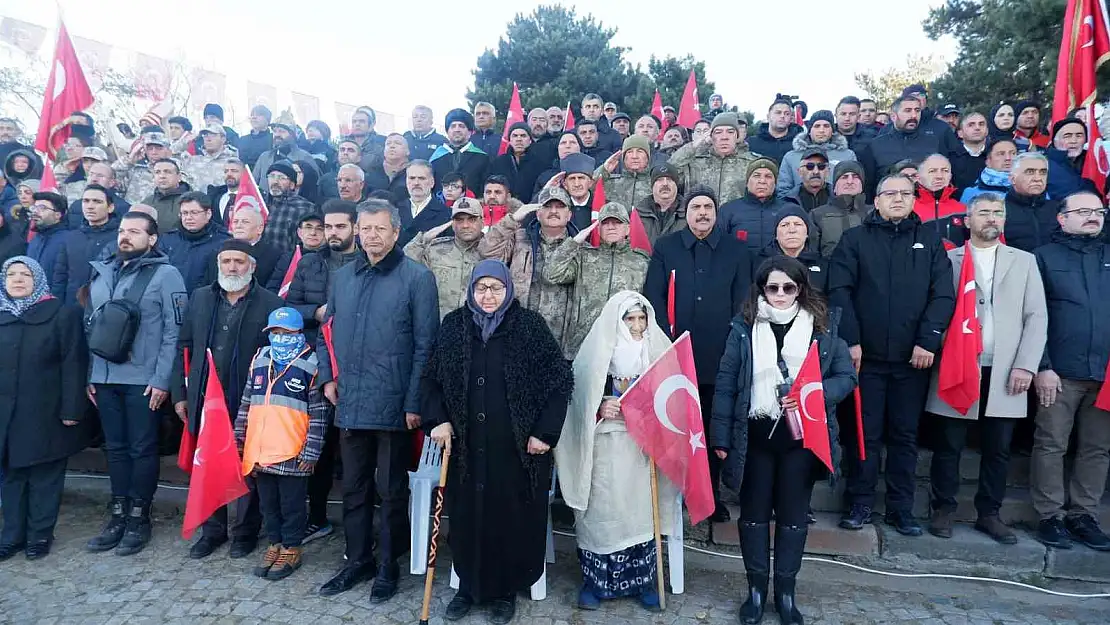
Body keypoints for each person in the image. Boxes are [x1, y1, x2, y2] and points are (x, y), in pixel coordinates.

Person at [422, 259, 571, 624]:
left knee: (509, 516)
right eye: (481, 288)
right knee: (468, 515)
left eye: (496, 288)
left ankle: (504, 590)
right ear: (471, 290)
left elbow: (559, 381)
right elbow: (430, 379)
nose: (488, 295)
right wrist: (438, 420)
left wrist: (544, 433)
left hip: (516, 447)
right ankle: (468, 587)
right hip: (467, 446)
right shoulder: (454, 326)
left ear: (508, 290)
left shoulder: (529, 327)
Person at [712, 256, 856, 625]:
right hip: (755, 435)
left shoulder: (823, 328)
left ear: (801, 289)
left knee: (793, 518)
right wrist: (721, 436)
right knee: (754, 517)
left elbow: (846, 378)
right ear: (762, 288)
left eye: (788, 287)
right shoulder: (743, 327)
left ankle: (786, 594)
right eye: (772, 287)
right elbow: (727, 384)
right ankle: (756, 592)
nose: (779, 294)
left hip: (801, 438)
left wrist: (814, 391)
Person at [316, 200, 439, 601]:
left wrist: (413, 402)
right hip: (350, 400)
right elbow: (326, 332)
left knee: (389, 492)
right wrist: (328, 377)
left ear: (396, 231)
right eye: (365, 229)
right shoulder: (344, 277)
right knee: (353, 489)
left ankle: (388, 565)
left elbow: (426, 345)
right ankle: (357, 560)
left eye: (379, 229)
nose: (371, 236)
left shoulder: (417, 278)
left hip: (393, 405)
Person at [827, 174, 955, 535]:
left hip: (912, 359)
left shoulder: (929, 241)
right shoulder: (855, 240)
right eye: (890, 194)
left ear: (914, 199)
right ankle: (860, 502)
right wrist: (850, 341)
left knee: (904, 435)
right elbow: (840, 290)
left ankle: (901, 508)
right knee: (863, 434)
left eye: (905, 193)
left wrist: (928, 341)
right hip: (864, 359)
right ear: (877, 200)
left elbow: (942, 294)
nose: (898, 199)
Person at [924, 193, 1048, 544]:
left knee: (998, 447)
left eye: (998, 213)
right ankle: (943, 508)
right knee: (949, 444)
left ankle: (989, 514)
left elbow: (1036, 316)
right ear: (967, 218)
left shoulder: (1023, 262)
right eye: (984, 212)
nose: (992, 218)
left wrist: (1026, 365)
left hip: (1006, 367)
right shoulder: (947, 259)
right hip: (958, 363)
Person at [556, 291, 675, 612]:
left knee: (640, 513)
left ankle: (643, 582)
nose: (637, 325)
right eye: (630, 319)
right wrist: (600, 406)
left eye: (641, 318)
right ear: (616, 321)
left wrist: (649, 409)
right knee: (603, 510)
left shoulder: (658, 350)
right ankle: (595, 584)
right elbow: (578, 399)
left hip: (643, 447)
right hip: (603, 444)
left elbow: (672, 398)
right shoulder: (595, 352)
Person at [644, 186, 753, 521]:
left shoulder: (736, 251)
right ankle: (672, 494)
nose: (702, 213)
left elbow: (743, 301)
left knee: (710, 427)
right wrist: (666, 341)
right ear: (685, 212)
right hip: (676, 353)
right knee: (676, 425)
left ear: (716, 213)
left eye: (708, 206)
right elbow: (655, 296)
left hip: (720, 356)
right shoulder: (666, 247)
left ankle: (710, 495)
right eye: (696, 207)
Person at [85, 211, 187, 557]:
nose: (125, 237)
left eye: (134, 231)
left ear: (153, 238)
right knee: (114, 448)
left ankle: (139, 516)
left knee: (142, 448)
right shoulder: (102, 271)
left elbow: (174, 332)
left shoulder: (166, 274)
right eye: (122, 231)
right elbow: (92, 327)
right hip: (104, 377)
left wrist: (162, 380)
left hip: (144, 381)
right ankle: (117, 514)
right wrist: (91, 374)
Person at [172, 239, 283, 559]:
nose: (232, 267)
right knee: (208, 463)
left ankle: (245, 532)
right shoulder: (201, 298)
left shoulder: (270, 303)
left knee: (245, 467)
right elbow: (183, 347)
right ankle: (212, 531)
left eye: (238, 261)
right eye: (226, 261)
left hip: (250, 401)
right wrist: (181, 393)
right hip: (206, 398)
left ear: (252, 266)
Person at [1030, 191, 1110, 551]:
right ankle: (1050, 516)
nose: (1093, 216)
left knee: (1098, 449)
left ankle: (1084, 515)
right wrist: (1042, 366)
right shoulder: (1044, 257)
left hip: (1105, 373)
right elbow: (1033, 316)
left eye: (1098, 211)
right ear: (1062, 218)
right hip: (1060, 372)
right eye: (1083, 211)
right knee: (1051, 444)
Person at [0, 256, 91, 562]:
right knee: (11, 477)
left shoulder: (61, 314)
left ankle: (39, 534)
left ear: (37, 279)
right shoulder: (1, 314)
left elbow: (73, 364)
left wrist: (71, 410)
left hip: (45, 411)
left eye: (25, 274)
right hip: (6, 415)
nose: (17, 279)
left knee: (44, 476)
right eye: (11, 274)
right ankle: (11, 535)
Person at [284, 199, 362, 543]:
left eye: (339, 226)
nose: (332, 233)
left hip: (357, 363)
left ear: (355, 228)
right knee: (317, 443)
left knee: (355, 449)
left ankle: (360, 523)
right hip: (315, 363)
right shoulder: (310, 263)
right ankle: (316, 516)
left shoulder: (366, 262)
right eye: (328, 227)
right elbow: (291, 308)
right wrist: (315, 312)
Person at [233, 306, 330, 580]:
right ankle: (275, 542)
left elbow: (320, 414)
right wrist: (239, 440)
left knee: (292, 505)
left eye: (286, 332)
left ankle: (292, 547)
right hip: (259, 451)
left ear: (299, 333)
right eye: (274, 332)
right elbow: (245, 403)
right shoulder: (260, 358)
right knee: (268, 504)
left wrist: (311, 451)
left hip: (293, 451)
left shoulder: (312, 363)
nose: (280, 337)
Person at [543, 202, 651, 359]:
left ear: (627, 228)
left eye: (617, 222)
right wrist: (573, 243)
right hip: (584, 345)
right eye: (606, 223)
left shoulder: (641, 262)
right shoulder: (584, 256)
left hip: (625, 345)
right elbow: (552, 274)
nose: (611, 227)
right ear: (598, 228)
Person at [478, 187, 580, 348]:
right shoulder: (519, 238)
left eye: (560, 206)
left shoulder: (579, 247)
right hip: (517, 330)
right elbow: (486, 251)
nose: (553, 211)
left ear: (569, 215)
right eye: (547, 206)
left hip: (559, 337)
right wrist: (511, 220)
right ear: (538, 213)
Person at [404, 197, 485, 319]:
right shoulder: (435, 249)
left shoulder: (491, 251)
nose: (465, 225)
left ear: (482, 222)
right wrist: (423, 238)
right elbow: (406, 263)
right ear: (452, 224)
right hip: (440, 327)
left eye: (472, 219)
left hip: (477, 329)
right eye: (459, 220)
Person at [858, 96, 955, 198]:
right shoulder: (876, 145)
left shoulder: (934, 142)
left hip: (928, 207)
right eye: (907, 111)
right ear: (893, 116)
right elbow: (868, 186)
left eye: (917, 111)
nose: (913, 115)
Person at [52, 184, 121, 305]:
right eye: (86, 201)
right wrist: (57, 307)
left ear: (110, 207)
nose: (90, 206)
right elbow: (60, 276)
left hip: (105, 306)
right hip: (72, 307)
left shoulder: (120, 237)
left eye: (97, 201)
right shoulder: (71, 237)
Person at [667, 112, 757, 205]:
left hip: (737, 218)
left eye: (730, 132)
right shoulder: (694, 161)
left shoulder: (751, 163)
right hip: (700, 217)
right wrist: (697, 144)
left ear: (737, 136)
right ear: (710, 136)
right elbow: (669, 170)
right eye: (718, 132)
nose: (724, 137)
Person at [159, 191, 231, 294]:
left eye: (194, 213)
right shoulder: (168, 239)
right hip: (171, 299)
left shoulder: (223, 241)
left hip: (206, 301)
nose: (188, 218)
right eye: (185, 213)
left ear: (208, 214)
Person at [777, 110, 857, 198]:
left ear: (832, 130)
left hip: (838, 208)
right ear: (810, 130)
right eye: (817, 126)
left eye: (826, 126)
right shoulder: (791, 157)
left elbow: (854, 187)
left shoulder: (847, 155)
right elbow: (783, 191)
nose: (821, 130)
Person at [718, 159, 790, 253]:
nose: (762, 181)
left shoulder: (787, 210)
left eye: (768, 176)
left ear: (775, 183)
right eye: (756, 176)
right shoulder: (728, 210)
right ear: (747, 182)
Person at [811, 162, 872, 259]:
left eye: (855, 177)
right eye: (844, 177)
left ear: (862, 185)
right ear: (834, 187)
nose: (850, 181)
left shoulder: (874, 213)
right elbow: (812, 253)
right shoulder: (817, 215)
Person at [759, 206, 827, 291]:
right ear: (775, 234)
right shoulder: (760, 264)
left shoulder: (823, 265)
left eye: (797, 224)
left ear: (807, 233)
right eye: (784, 225)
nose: (792, 230)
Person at [1003, 152, 1059, 253]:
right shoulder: (1000, 210)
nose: (1037, 178)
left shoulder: (1058, 210)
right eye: (1030, 172)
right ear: (1012, 179)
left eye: (1043, 172)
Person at [261, 161, 319, 254]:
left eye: (282, 178)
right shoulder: (259, 203)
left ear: (292, 184)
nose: (275, 181)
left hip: (288, 264)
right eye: (272, 176)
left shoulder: (305, 207)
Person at [913, 154, 968, 246]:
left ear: (950, 176)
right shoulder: (908, 208)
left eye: (945, 171)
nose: (939, 176)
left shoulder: (963, 210)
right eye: (932, 171)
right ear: (918, 178)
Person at [430, 109, 489, 193]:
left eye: (461, 126)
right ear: (447, 131)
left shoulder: (482, 158)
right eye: (453, 126)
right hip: (440, 205)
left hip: (471, 204)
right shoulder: (436, 158)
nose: (457, 129)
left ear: (470, 132)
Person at [267, 213, 326, 293]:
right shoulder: (287, 258)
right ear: (299, 232)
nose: (313, 233)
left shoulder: (330, 259)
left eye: (319, 229)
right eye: (308, 227)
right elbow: (272, 288)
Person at [398, 160, 450, 248]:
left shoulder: (447, 215)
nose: (416, 183)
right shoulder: (394, 210)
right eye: (412, 178)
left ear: (432, 182)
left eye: (422, 178)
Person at [26, 191, 73, 287]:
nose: (35, 211)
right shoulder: (35, 239)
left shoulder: (69, 239)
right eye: (34, 207)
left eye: (42, 208)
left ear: (58, 215)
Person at [228, 205, 282, 287]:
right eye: (235, 222)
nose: (238, 226)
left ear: (260, 229)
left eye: (245, 222)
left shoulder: (276, 256)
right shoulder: (220, 252)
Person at [1045, 118, 1098, 200]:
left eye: (1079, 135)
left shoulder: (1094, 161)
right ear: (1054, 141)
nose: (1074, 141)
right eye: (1067, 136)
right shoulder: (1045, 165)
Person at [634, 163, 687, 244]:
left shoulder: (689, 213)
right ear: (652, 185)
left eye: (669, 179)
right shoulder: (637, 215)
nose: (665, 184)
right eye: (660, 180)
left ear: (676, 184)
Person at [595, 135, 654, 209]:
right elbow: (587, 188)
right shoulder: (610, 182)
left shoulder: (655, 183)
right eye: (630, 152)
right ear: (624, 158)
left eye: (640, 151)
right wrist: (603, 170)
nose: (634, 156)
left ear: (647, 158)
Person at [746, 98, 804, 165]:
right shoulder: (751, 143)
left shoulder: (799, 144)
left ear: (791, 119)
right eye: (778, 112)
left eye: (787, 114)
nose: (782, 116)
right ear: (768, 117)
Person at [183, 124, 238, 194]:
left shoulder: (233, 162)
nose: (208, 139)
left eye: (213, 135)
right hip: (197, 202)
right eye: (205, 135)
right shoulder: (192, 161)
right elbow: (171, 155)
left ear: (223, 139)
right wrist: (184, 143)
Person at [142, 158, 192, 233]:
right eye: (157, 172)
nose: (162, 176)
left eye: (167, 172)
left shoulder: (192, 201)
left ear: (179, 177)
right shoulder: (146, 203)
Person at [951, 112, 990, 193]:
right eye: (971, 125)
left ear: (987, 131)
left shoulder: (994, 156)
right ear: (960, 133)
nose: (977, 128)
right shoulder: (950, 158)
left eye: (981, 124)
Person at [346, 106, 387, 172]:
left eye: (362, 121)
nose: (357, 124)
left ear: (371, 125)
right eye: (354, 121)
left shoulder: (382, 146)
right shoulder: (343, 144)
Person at [237, 105, 274, 170]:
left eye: (259, 114)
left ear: (267, 119)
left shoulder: (273, 139)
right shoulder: (242, 140)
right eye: (252, 115)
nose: (254, 117)